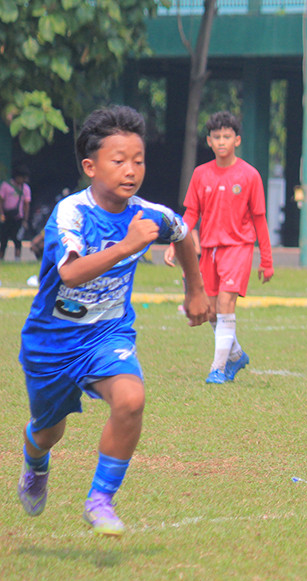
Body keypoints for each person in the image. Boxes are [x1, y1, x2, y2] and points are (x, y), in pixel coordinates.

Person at [16, 105, 211, 536]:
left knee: (131, 400)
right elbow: (69, 272)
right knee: (49, 432)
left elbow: (183, 234)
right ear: (91, 166)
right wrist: (126, 247)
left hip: (107, 334)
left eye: (138, 161)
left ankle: (100, 498)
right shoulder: (71, 213)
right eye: (118, 160)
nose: (131, 170)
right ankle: (35, 461)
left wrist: (195, 291)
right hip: (52, 342)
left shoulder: (146, 215)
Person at [165, 110, 274, 384]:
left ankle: (217, 368)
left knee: (226, 302)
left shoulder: (250, 175)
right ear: (209, 141)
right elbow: (190, 215)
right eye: (217, 137)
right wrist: (174, 242)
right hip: (209, 250)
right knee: (210, 311)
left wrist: (267, 261)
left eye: (227, 136)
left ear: (237, 140)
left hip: (239, 247)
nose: (222, 141)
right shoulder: (201, 174)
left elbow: (260, 219)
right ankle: (236, 355)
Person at [0, 163, 32, 261]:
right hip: (6, 216)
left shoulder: (25, 188)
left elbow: (26, 205)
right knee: (3, 238)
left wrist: (25, 220)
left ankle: (17, 259)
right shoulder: (6, 186)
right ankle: (1, 258)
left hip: (18, 217)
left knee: (17, 239)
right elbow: (1, 200)